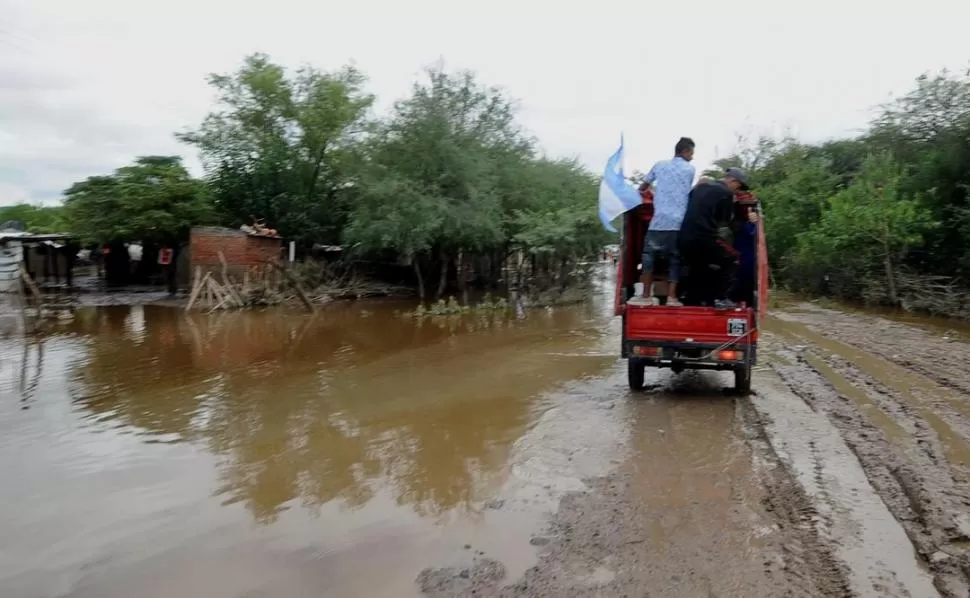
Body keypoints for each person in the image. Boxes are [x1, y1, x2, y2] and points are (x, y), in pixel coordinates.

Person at [634, 137, 696, 306]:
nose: (692, 157)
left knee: (648, 257)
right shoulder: (690, 170)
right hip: (678, 223)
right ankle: (672, 297)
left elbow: (643, 187)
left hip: (658, 222)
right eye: (691, 153)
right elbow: (684, 191)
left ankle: (646, 295)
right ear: (684, 151)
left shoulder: (659, 165)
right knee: (675, 259)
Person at [678, 167, 750, 307]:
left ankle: (690, 299)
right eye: (739, 187)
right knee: (732, 258)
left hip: (683, 239)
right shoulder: (726, 193)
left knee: (697, 267)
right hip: (704, 239)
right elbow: (724, 224)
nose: (738, 190)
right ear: (733, 181)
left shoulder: (700, 187)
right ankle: (721, 299)